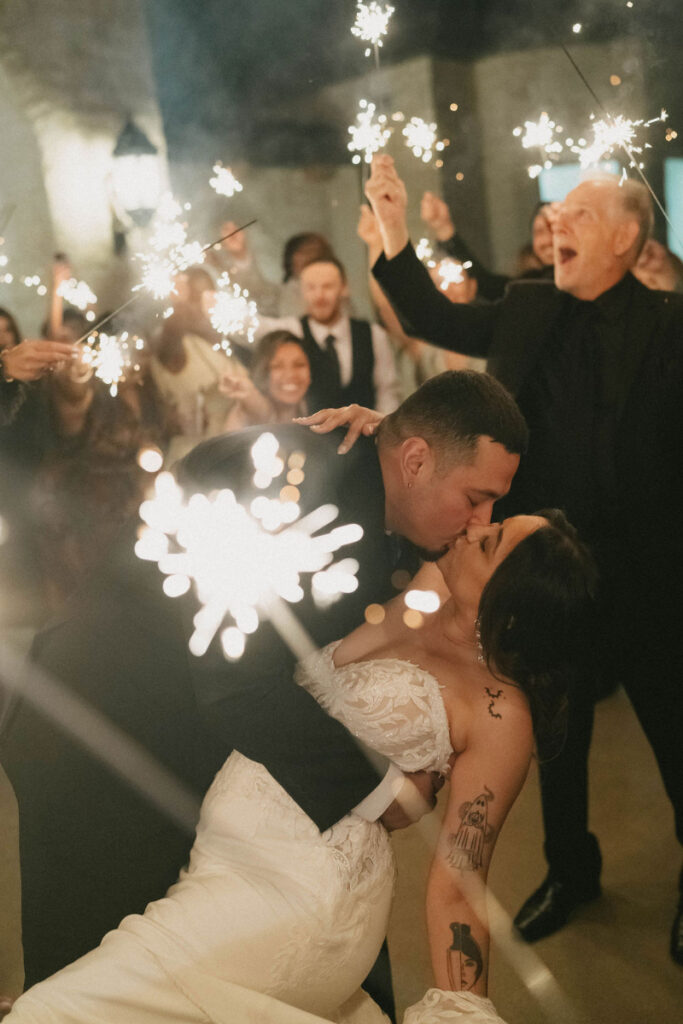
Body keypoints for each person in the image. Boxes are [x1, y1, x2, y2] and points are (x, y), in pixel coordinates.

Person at [1, 371, 528, 1014]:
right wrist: (386, 791)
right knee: (94, 989)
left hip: (190, 756)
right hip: (100, 740)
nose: (482, 520)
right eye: (476, 498)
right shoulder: (299, 489)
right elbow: (236, 683)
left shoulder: (368, 479)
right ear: (416, 458)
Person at [363, 154, 683, 963]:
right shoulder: (531, 307)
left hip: (650, 574)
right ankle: (569, 871)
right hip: (542, 573)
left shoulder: (672, 323)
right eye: (555, 212)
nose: (554, 222)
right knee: (556, 741)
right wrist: (395, 229)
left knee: (675, 733)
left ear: (625, 236)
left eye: (578, 213)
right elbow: (432, 315)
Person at [232, 254, 400, 414]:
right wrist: (217, 305)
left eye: (327, 286)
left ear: (343, 288)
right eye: (311, 288)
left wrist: (382, 433)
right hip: (309, 439)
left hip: (366, 439)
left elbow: (387, 391)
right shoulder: (292, 331)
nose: (319, 296)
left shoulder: (373, 334)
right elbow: (249, 328)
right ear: (302, 292)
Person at [149, 266, 248, 463]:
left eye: (208, 294)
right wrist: (179, 310)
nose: (202, 303)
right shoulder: (173, 342)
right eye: (193, 296)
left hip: (236, 445)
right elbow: (170, 355)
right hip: (197, 453)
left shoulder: (230, 336)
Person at [420, 192, 555, 301]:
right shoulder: (526, 288)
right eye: (539, 232)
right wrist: (443, 228)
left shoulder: (574, 288)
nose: (548, 240)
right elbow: (485, 282)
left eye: (555, 229)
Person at [219, 329, 312, 430]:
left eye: (299, 365)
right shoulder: (249, 412)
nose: (290, 374)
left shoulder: (313, 410)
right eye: (277, 366)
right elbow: (258, 409)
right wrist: (248, 395)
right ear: (263, 372)